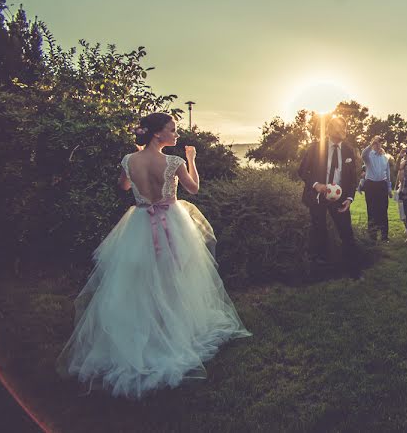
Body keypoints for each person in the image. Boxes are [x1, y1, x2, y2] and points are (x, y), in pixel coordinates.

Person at [57, 113, 251, 399]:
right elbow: (194, 188)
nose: (176, 134)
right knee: (173, 279)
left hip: (138, 226)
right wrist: (192, 159)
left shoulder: (128, 160)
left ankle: (143, 334)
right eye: (172, 130)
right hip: (171, 224)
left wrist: (136, 166)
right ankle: (171, 333)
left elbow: (123, 186)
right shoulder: (175, 162)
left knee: (138, 283)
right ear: (158, 134)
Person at [297, 116, 362, 279]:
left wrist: (349, 198)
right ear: (331, 129)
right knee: (319, 232)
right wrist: (316, 185)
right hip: (318, 196)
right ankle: (319, 271)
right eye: (341, 127)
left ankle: (354, 272)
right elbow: (302, 171)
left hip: (339, 199)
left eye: (345, 127)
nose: (344, 130)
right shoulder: (315, 148)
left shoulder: (348, 151)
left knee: (347, 233)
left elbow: (352, 179)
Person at [361, 135, 392, 241]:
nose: (378, 144)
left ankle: (384, 236)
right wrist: (372, 143)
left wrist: (389, 189)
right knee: (371, 210)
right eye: (376, 143)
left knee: (383, 210)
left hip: (382, 185)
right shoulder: (368, 156)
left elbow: (387, 174)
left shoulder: (385, 157)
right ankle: (372, 236)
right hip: (370, 185)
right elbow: (363, 154)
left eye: (380, 143)